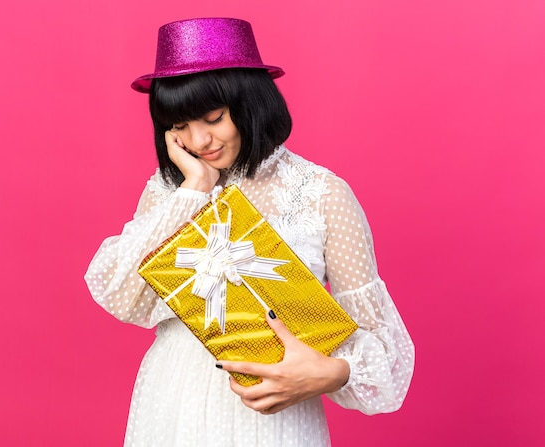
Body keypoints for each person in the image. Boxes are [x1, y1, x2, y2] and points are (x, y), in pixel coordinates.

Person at [85, 17, 414, 447]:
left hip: (274, 416)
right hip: (171, 401)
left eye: (213, 118)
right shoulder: (171, 190)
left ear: (251, 102)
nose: (199, 140)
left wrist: (332, 373)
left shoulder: (321, 193)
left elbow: (387, 358)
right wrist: (194, 190)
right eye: (179, 126)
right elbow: (121, 293)